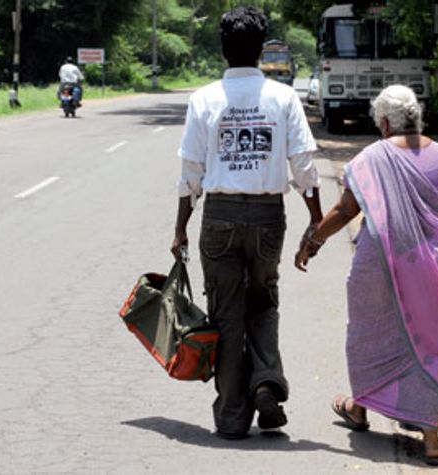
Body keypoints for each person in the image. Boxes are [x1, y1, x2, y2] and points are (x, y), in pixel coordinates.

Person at [295, 84, 438, 466]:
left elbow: (345, 212)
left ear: (387, 122)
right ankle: (430, 439)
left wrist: (313, 241)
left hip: (379, 263)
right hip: (434, 265)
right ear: (416, 117)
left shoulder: (370, 158)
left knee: (370, 336)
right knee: (427, 342)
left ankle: (362, 409)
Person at [171, 6, 323, 440]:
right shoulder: (282, 97)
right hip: (268, 216)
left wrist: (180, 228)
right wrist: (315, 221)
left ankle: (233, 416)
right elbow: (304, 167)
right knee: (263, 300)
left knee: (225, 315)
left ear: (223, 48)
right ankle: (266, 384)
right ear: (261, 49)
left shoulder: (203, 99)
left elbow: (190, 175)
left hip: (218, 216)